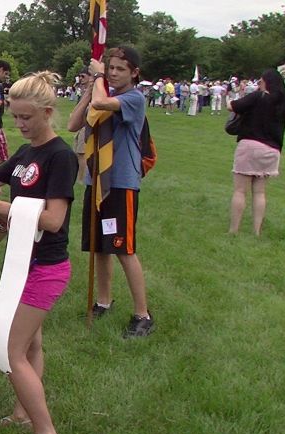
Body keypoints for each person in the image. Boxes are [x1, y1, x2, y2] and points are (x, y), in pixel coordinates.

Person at [0, 71, 76, 434]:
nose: (20, 124)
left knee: (10, 351)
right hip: (21, 262)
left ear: (47, 112)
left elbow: (54, 220)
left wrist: (3, 209)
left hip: (47, 267)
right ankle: (22, 414)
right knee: (29, 347)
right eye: (15, 117)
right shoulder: (25, 154)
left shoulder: (60, 156)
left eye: (27, 117)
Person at [74, 46, 155, 338]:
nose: (113, 73)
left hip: (121, 184)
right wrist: (89, 89)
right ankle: (104, 301)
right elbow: (73, 124)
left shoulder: (134, 98)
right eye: (110, 68)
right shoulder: (101, 92)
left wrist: (97, 78)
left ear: (134, 73)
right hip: (96, 181)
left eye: (120, 69)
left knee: (123, 249)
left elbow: (103, 103)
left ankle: (143, 315)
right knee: (100, 247)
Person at [226, 69, 285, 236]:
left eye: (260, 81)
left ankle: (233, 230)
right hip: (271, 150)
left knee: (240, 191)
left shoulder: (258, 97)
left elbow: (232, 106)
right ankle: (256, 231)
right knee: (260, 192)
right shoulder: (283, 104)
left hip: (250, 145)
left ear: (266, 82)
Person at [67, 66, 93, 184]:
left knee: (82, 153)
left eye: (83, 76)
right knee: (77, 153)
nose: (81, 79)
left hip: (86, 124)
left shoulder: (93, 91)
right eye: (80, 76)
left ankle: (81, 179)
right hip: (79, 124)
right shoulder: (83, 90)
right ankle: (79, 176)